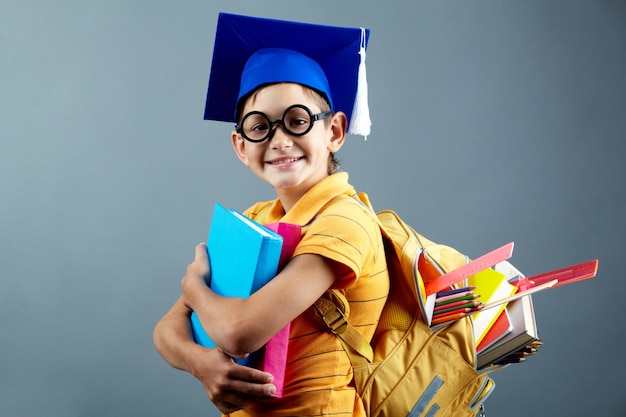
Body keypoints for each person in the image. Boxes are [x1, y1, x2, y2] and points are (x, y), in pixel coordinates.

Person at [153, 13, 389, 417]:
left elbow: (237, 332)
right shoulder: (255, 219)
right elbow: (165, 331)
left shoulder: (345, 222)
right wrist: (200, 363)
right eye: (259, 127)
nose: (280, 140)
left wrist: (194, 287)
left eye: (297, 121)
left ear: (333, 132)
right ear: (241, 146)